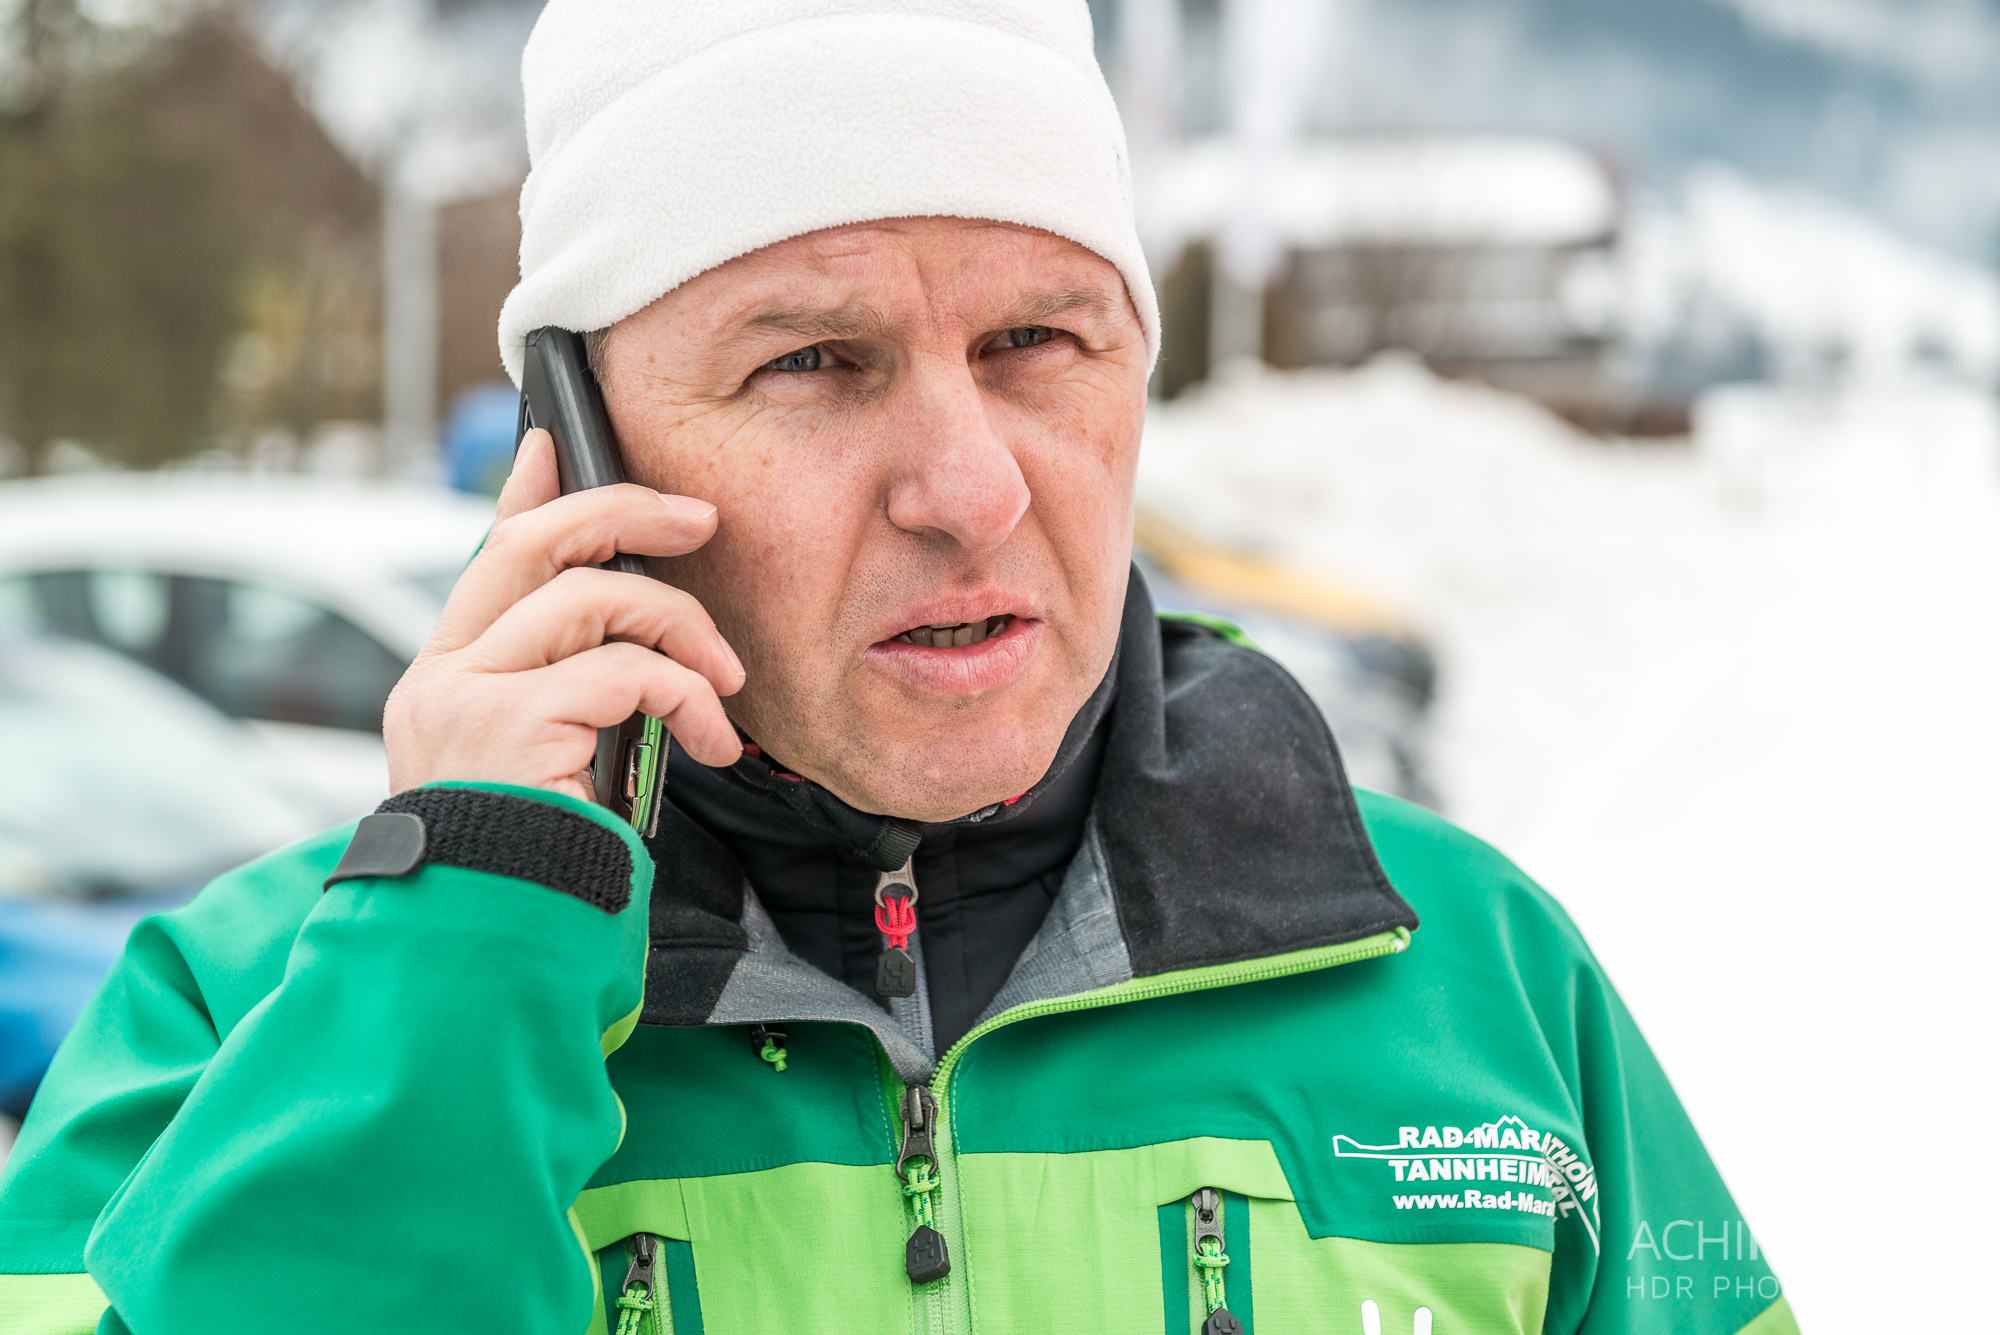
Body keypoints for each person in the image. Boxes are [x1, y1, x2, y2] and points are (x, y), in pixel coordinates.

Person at [0, 4, 1796, 1333]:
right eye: (813, 363)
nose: (970, 487)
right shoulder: (231, 1029)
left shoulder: (1482, 982)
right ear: (581, 446)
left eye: (1037, 341)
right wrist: (448, 983)